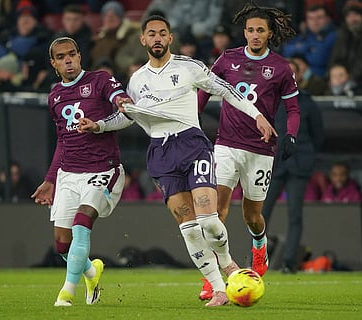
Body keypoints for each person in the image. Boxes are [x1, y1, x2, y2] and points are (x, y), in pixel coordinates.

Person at [78, 14, 277, 307]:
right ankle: (219, 289)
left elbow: (226, 90)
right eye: (152, 34)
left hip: (192, 145)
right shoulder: (137, 80)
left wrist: (257, 115)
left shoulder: (189, 67)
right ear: (143, 40)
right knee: (188, 226)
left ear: (170, 38)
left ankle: (228, 263)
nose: (157, 38)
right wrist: (100, 126)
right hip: (160, 153)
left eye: (162, 33)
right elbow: (127, 115)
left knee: (209, 221)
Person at [197, 2, 300, 294]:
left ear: (269, 34)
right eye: (250, 30)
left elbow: (293, 109)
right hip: (226, 144)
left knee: (252, 216)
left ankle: (259, 244)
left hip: (261, 150)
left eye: (260, 30)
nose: (254, 35)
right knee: (216, 211)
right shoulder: (227, 59)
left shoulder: (280, 68)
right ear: (244, 31)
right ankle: (214, 276)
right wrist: (193, 123)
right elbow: (206, 89)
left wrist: (291, 135)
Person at [31, 36, 129, 307]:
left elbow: (123, 106)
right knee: (62, 245)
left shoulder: (100, 80)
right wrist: (51, 179)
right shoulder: (55, 96)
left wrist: (104, 119)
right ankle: (91, 271)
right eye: (61, 57)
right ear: (54, 63)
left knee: (82, 221)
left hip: (103, 169)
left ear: (79, 55)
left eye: (72, 54)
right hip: (69, 174)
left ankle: (66, 292)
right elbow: (63, 141)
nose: (68, 60)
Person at [260, 57, 324, 274]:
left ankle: (288, 262)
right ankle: (257, 259)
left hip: (298, 165)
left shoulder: (307, 102)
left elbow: (318, 136)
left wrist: (304, 152)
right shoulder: (269, 101)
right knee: (261, 213)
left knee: (295, 214)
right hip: (274, 163)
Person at [282, 4, 337, 78]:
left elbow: (318, 59)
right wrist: (308, 48)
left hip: (320, 78)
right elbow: (286, 50)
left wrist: (299, 49)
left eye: (319, 18)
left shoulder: (334, 35)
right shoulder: (306, 34)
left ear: (328, 18)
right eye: (311, 18)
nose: (315, 22)